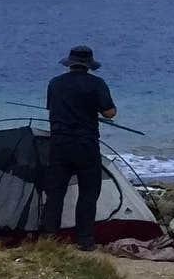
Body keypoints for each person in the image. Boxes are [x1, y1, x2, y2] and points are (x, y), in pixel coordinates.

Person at [38, 45, 116, 251]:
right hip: (86, 144)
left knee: (55, 193)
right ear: (89, 65)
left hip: (59, 144)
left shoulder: (54, 84)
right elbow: (109, 112)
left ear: (70, 63)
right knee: (88, 193)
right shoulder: (96, 84)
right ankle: (85, 240)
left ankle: (49, 237)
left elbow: (52, 109)